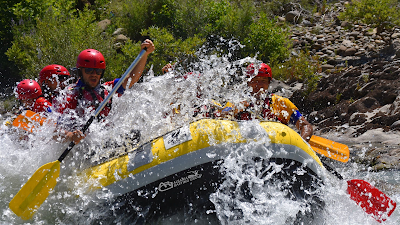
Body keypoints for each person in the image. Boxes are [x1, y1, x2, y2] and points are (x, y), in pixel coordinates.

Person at [57, 39, 155, 144]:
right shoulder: (70, 96)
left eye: (98, 71)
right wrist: (70, 136)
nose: (94, 74)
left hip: (106, 140)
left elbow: (132, 78)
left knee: (136, 132)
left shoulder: (108, 89)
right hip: (84, 148)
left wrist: (145, 54)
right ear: (80, 71)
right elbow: (55, 131)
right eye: (89, 70)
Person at [223, 63, 313, 142]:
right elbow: (221, 117)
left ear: (269, 83)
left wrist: (302, 144)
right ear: (248, 82)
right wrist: (236, 109)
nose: (259, 85)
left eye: (263, 81)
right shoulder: (236, 101)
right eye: (255, 80)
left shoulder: (281, 103)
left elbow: (306, 126)